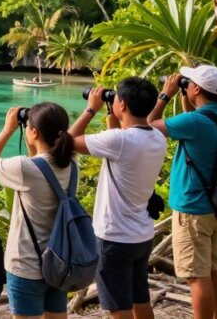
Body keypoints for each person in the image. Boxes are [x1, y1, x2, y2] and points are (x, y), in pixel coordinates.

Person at [69, 77, 165, 319]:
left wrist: (91, 108)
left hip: (114, 237)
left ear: (122, 104)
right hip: (141, 235)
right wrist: (113, 113)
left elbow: (67, 141)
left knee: (118, 306)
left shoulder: (120, 141)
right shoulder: (156, 137)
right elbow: (119, 144)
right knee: (139, 298)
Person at [148, 65, 217, 319]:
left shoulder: (193, 121)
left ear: (195, 88)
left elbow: (148, 125)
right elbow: (194, 128)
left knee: (197, 276)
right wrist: (187, 99)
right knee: (216, 270)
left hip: (193, 208)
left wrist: (165, 94)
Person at [0, 103, 75, 319]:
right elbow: (39, 165)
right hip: (59, 261)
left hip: (26, 265)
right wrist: (33, 147)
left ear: (33, 131)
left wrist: (7, 130)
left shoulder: (25, 168)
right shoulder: (70, 165)